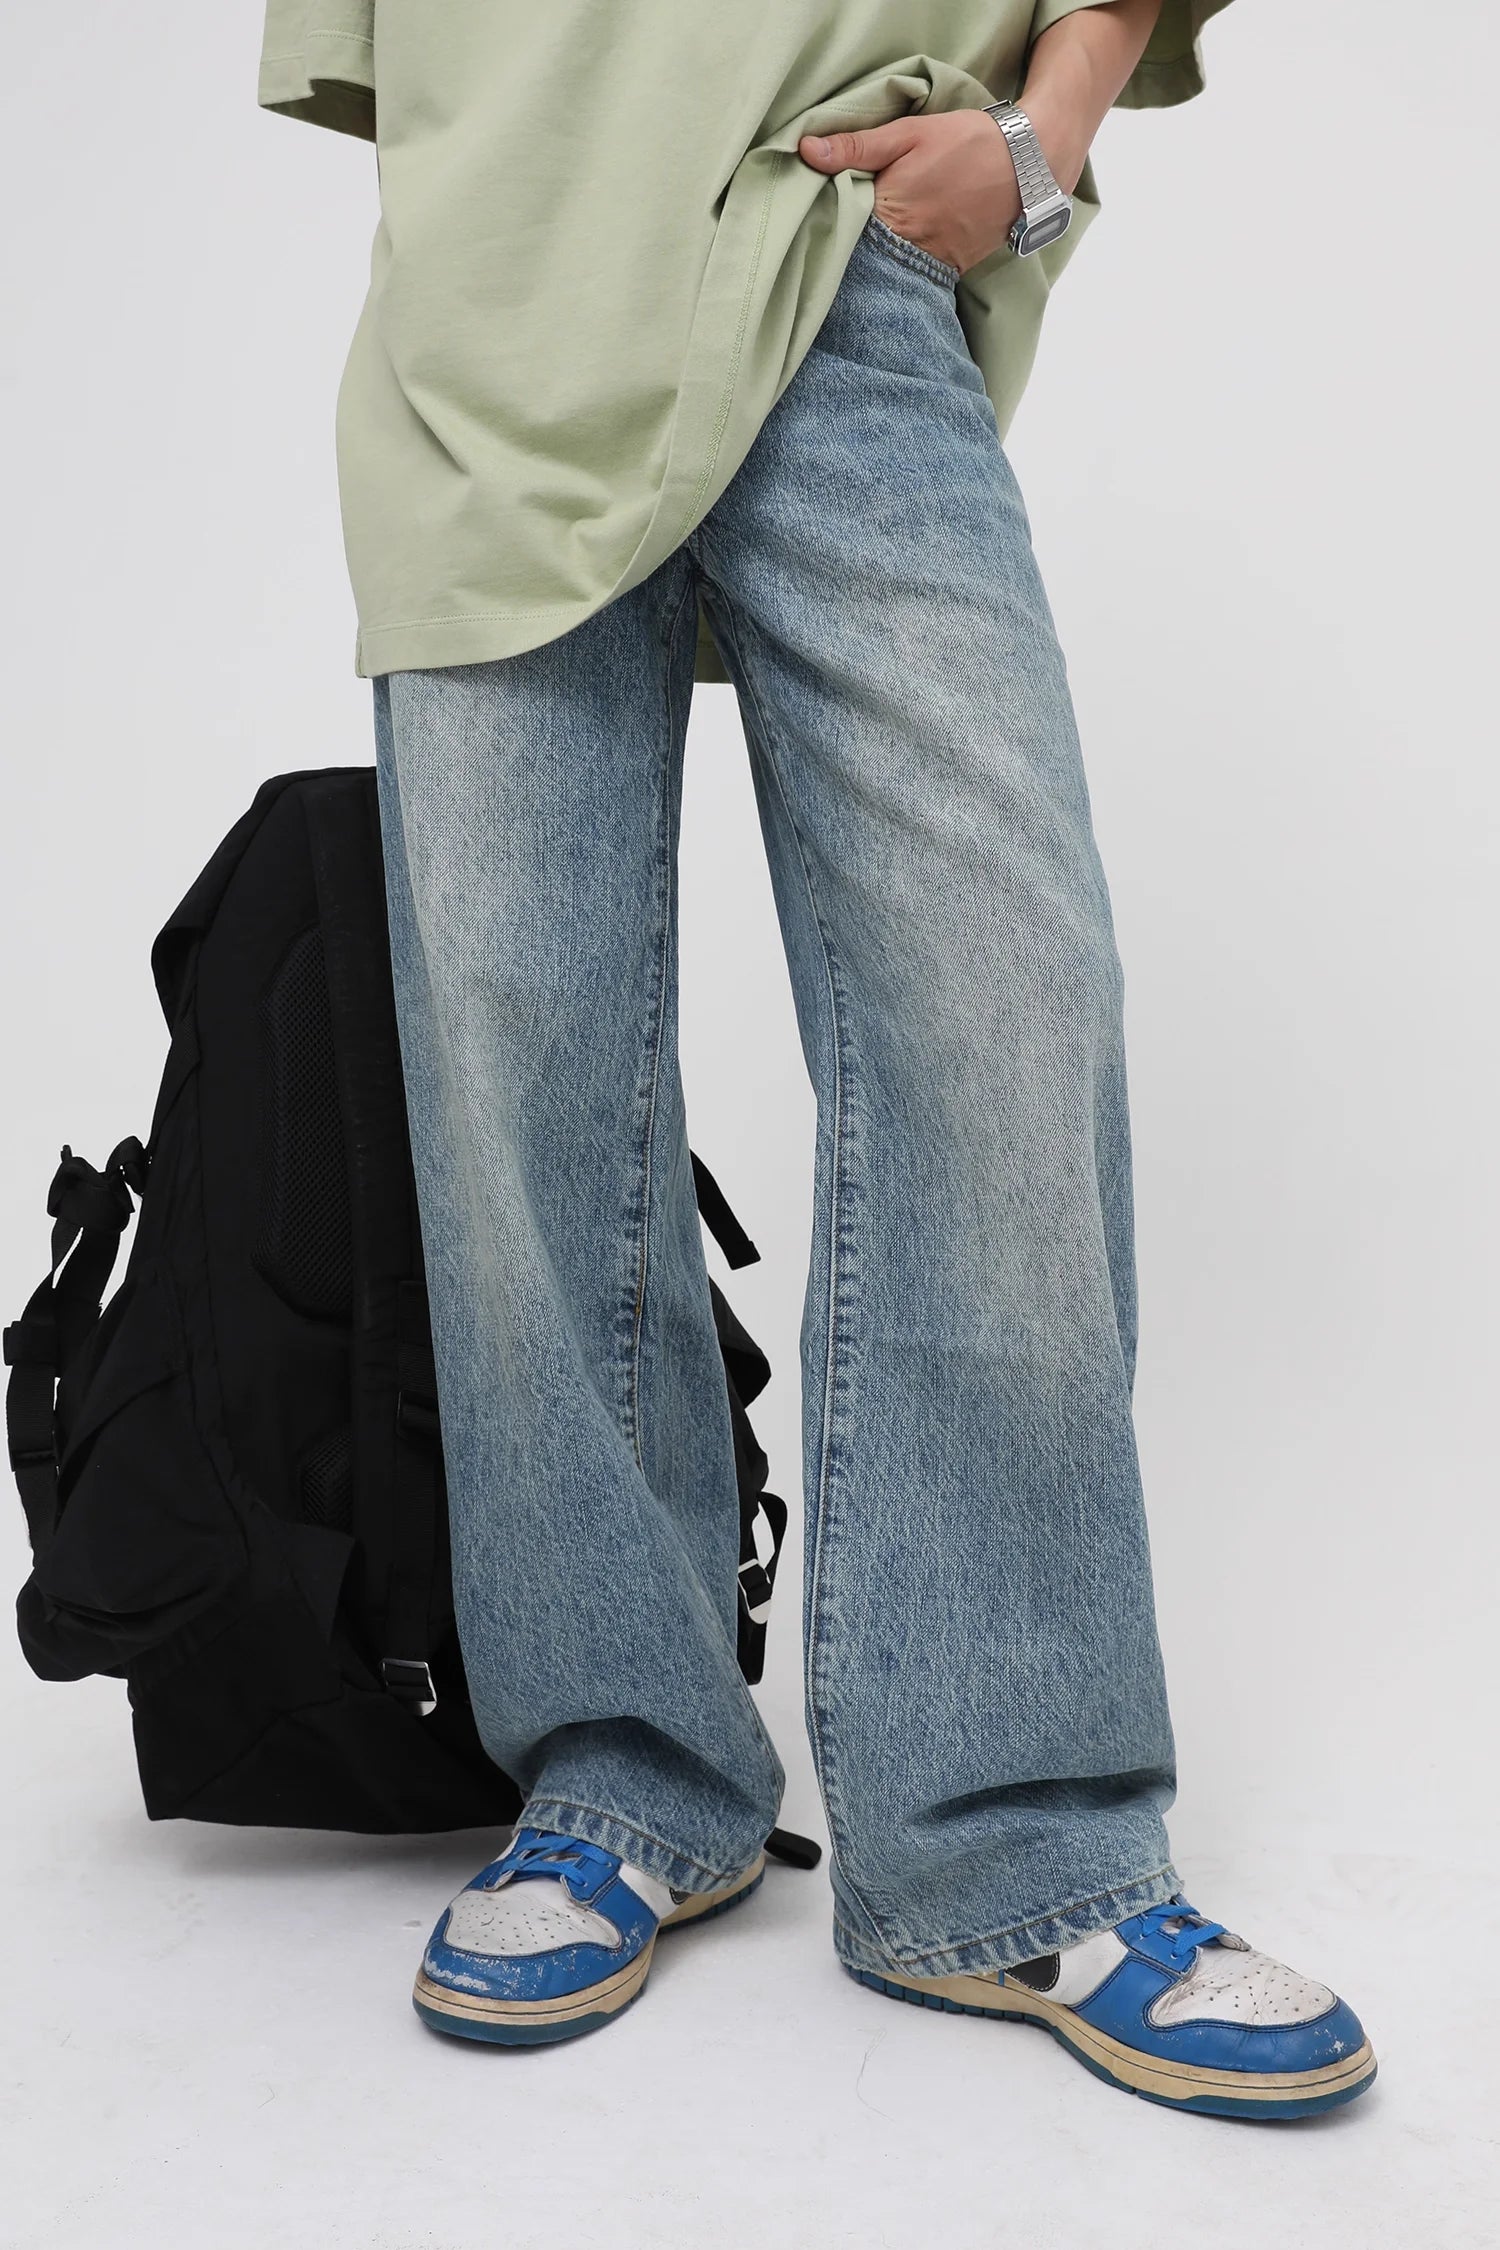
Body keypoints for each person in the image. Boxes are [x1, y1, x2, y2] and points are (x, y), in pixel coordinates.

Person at [258, 0, 1375, 2117]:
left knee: (1001, 1009)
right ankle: (622, 1771)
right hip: (496, 316)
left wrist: (1039, 145)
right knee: (521, 1067)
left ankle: (1015, 1841)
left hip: (845, 247)